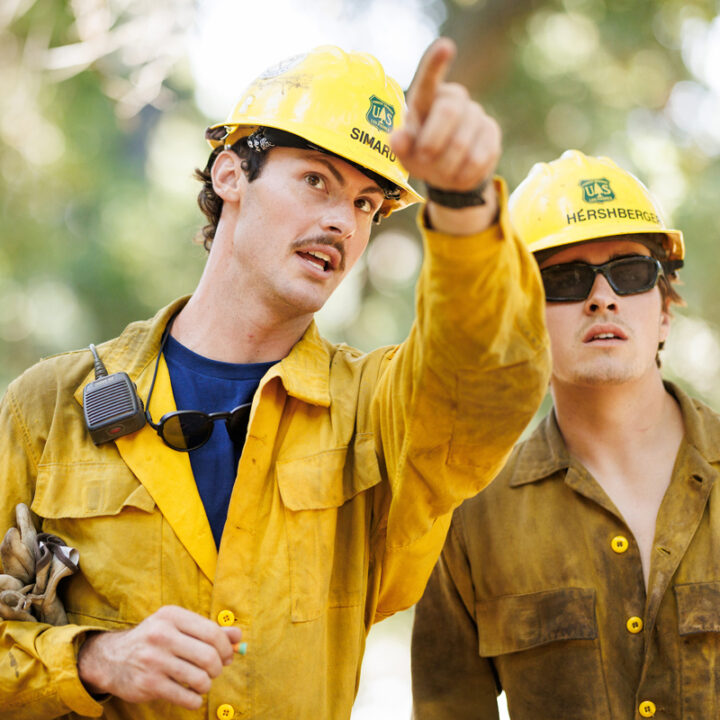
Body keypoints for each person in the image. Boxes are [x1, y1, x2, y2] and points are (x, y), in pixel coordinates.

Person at [0, 39, 550, 720]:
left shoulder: (373, 412)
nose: (340, 222)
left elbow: (487, 380)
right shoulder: (45, 409)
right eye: (317, 180)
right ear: (230, 175)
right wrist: (91, 660)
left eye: (366, 205)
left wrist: (464, 206)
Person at [410, 148, 719, 720]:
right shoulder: (468, 517)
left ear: (665, 309)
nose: (602, 297)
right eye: (565, 280)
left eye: (629, 272)